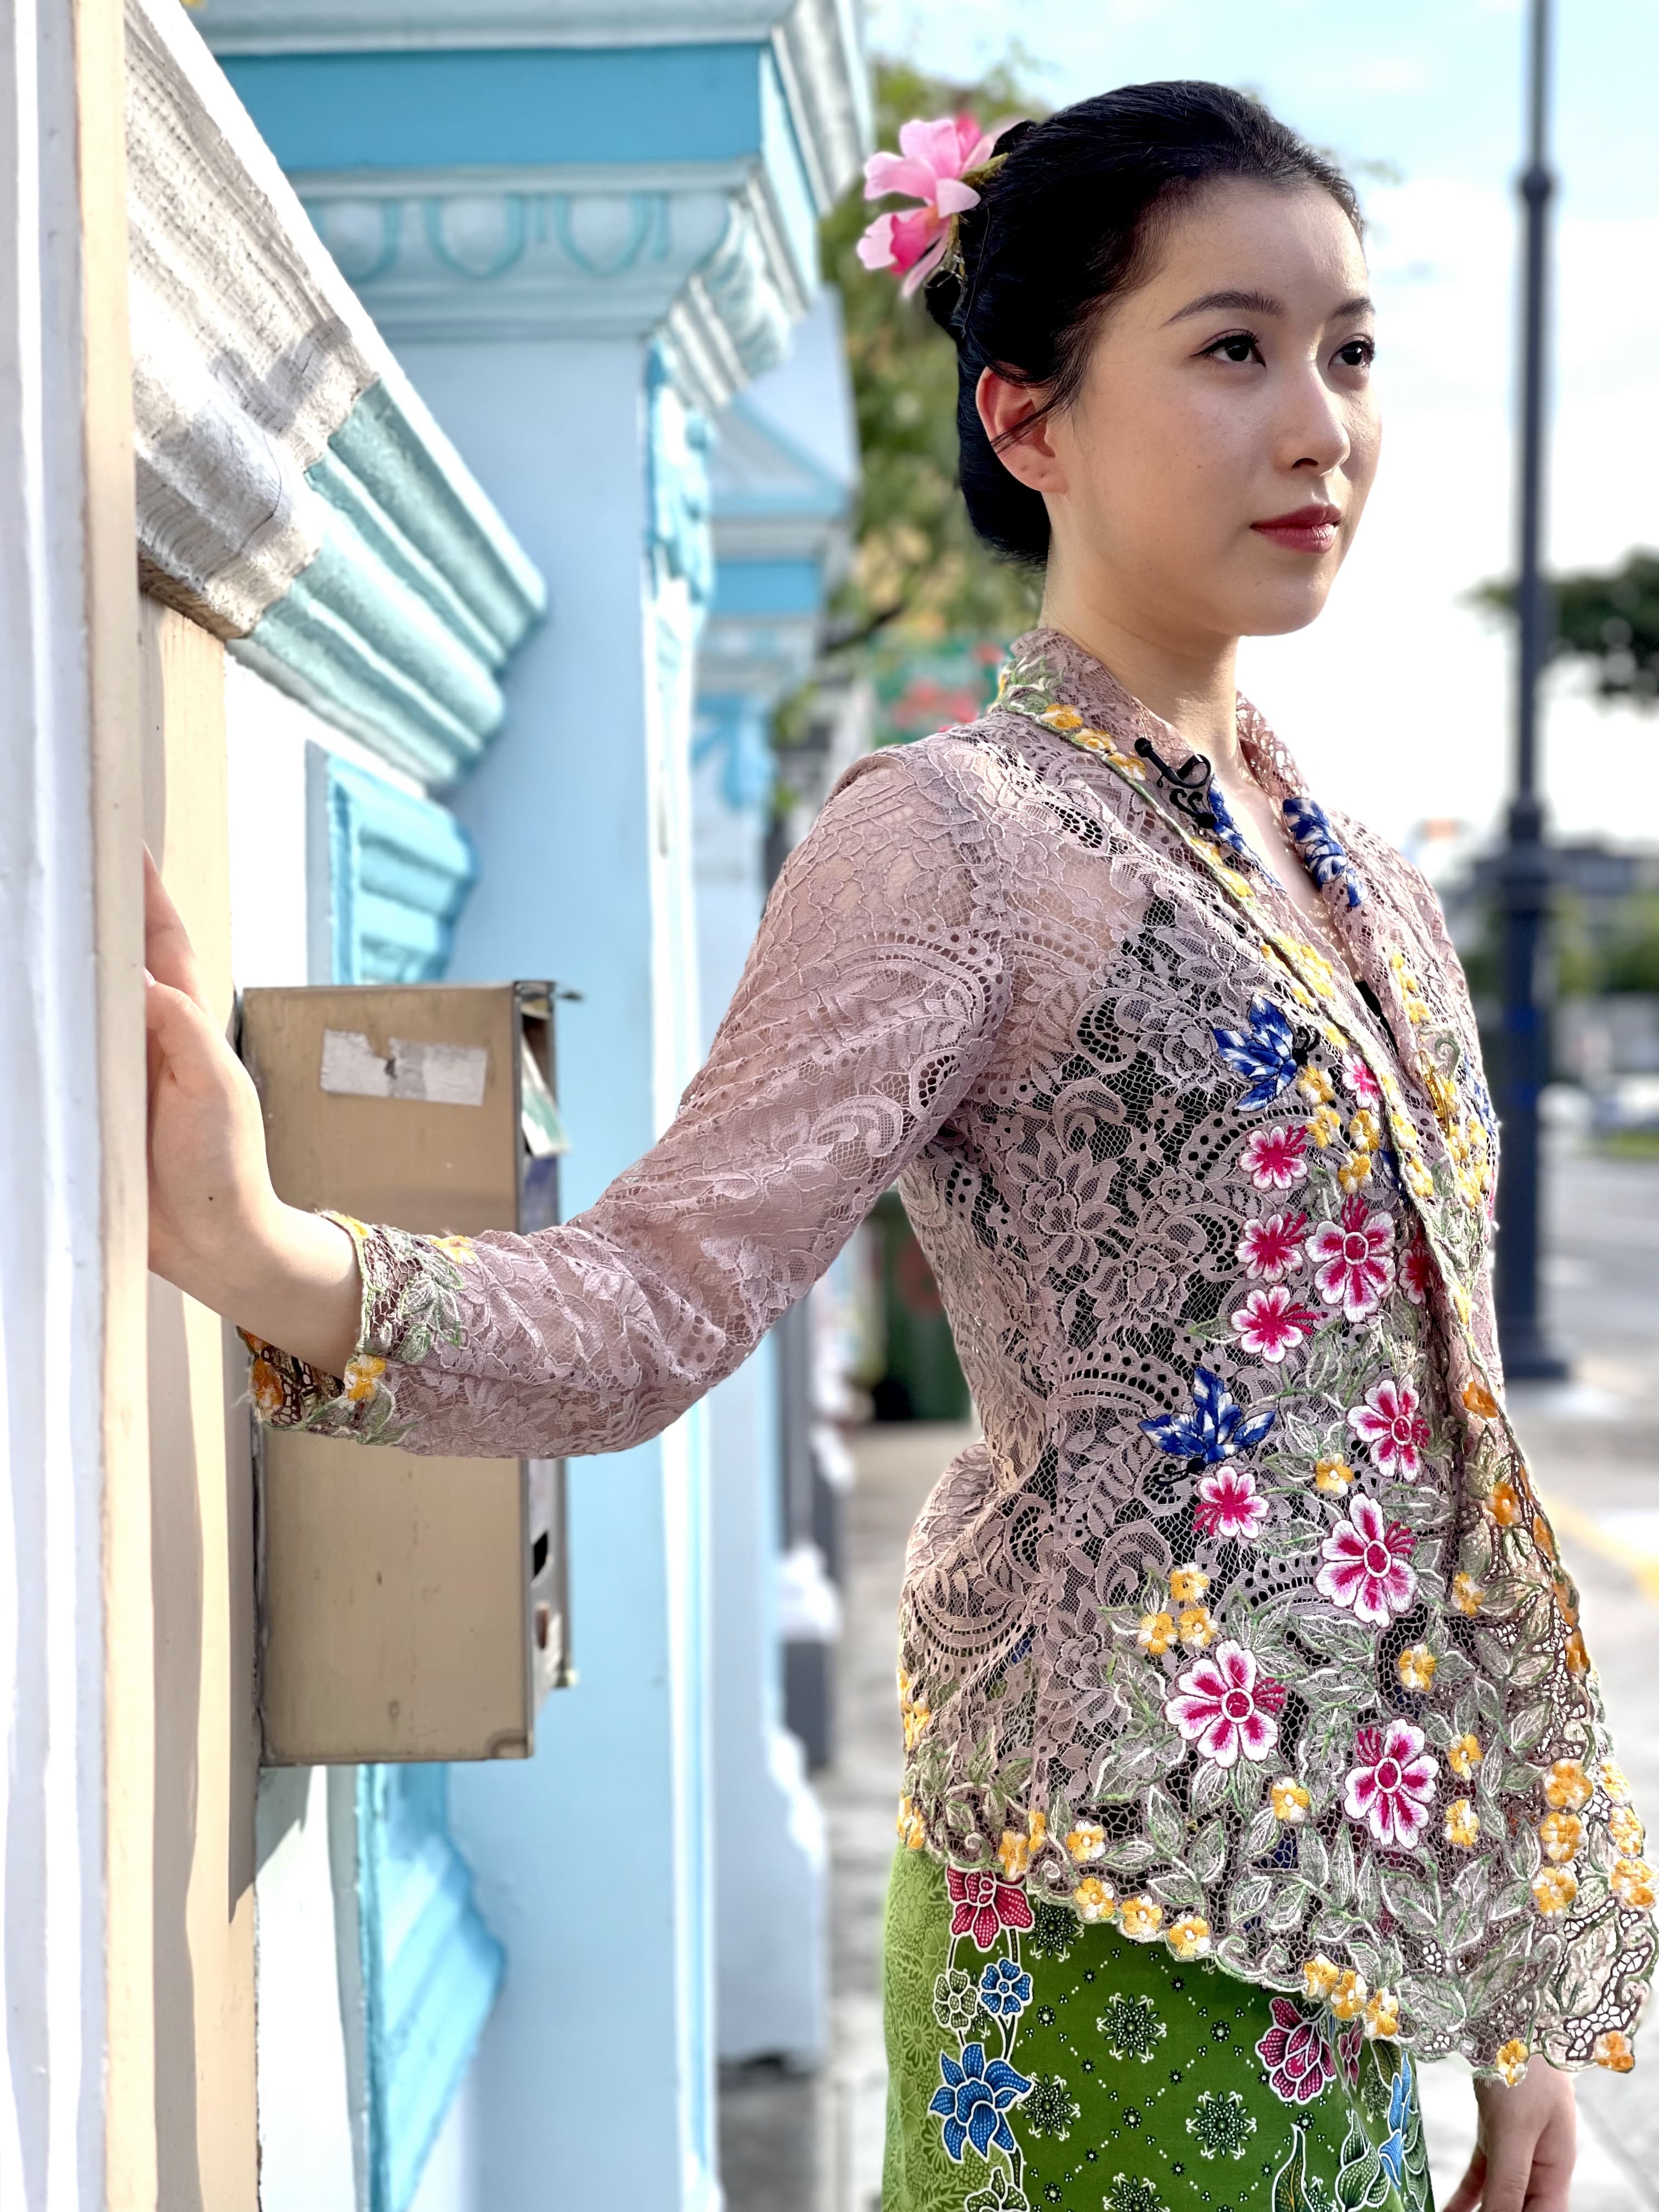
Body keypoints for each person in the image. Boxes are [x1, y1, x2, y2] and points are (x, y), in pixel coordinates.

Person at [145, 81, 1651, 2212]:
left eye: (1351, 350)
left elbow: (1439, 1441)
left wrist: (1512, 1989)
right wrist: (267, 1253)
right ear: (1029, 416)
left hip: (1355, 1934)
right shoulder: (957, 842)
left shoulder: (1370, 882)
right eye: (1232, 348)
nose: (1320, 426)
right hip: (1106, 1908)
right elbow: (661, 1298)